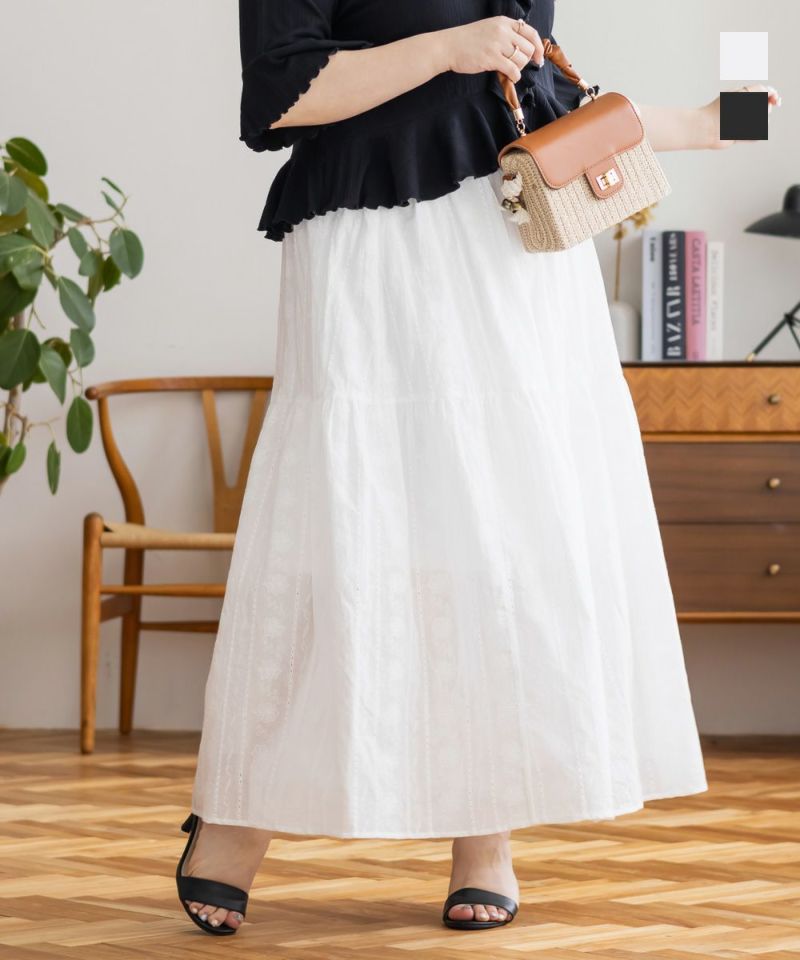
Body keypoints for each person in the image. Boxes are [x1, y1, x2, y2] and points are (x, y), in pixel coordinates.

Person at [175, 0, 781, 937]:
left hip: (520, 255)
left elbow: (537, 97)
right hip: (374, 245)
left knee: (504, 544)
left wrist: (710, 123)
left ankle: (485, 834)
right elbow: (283, 94)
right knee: (344, 528)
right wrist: (447, 47)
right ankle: (238, 818)